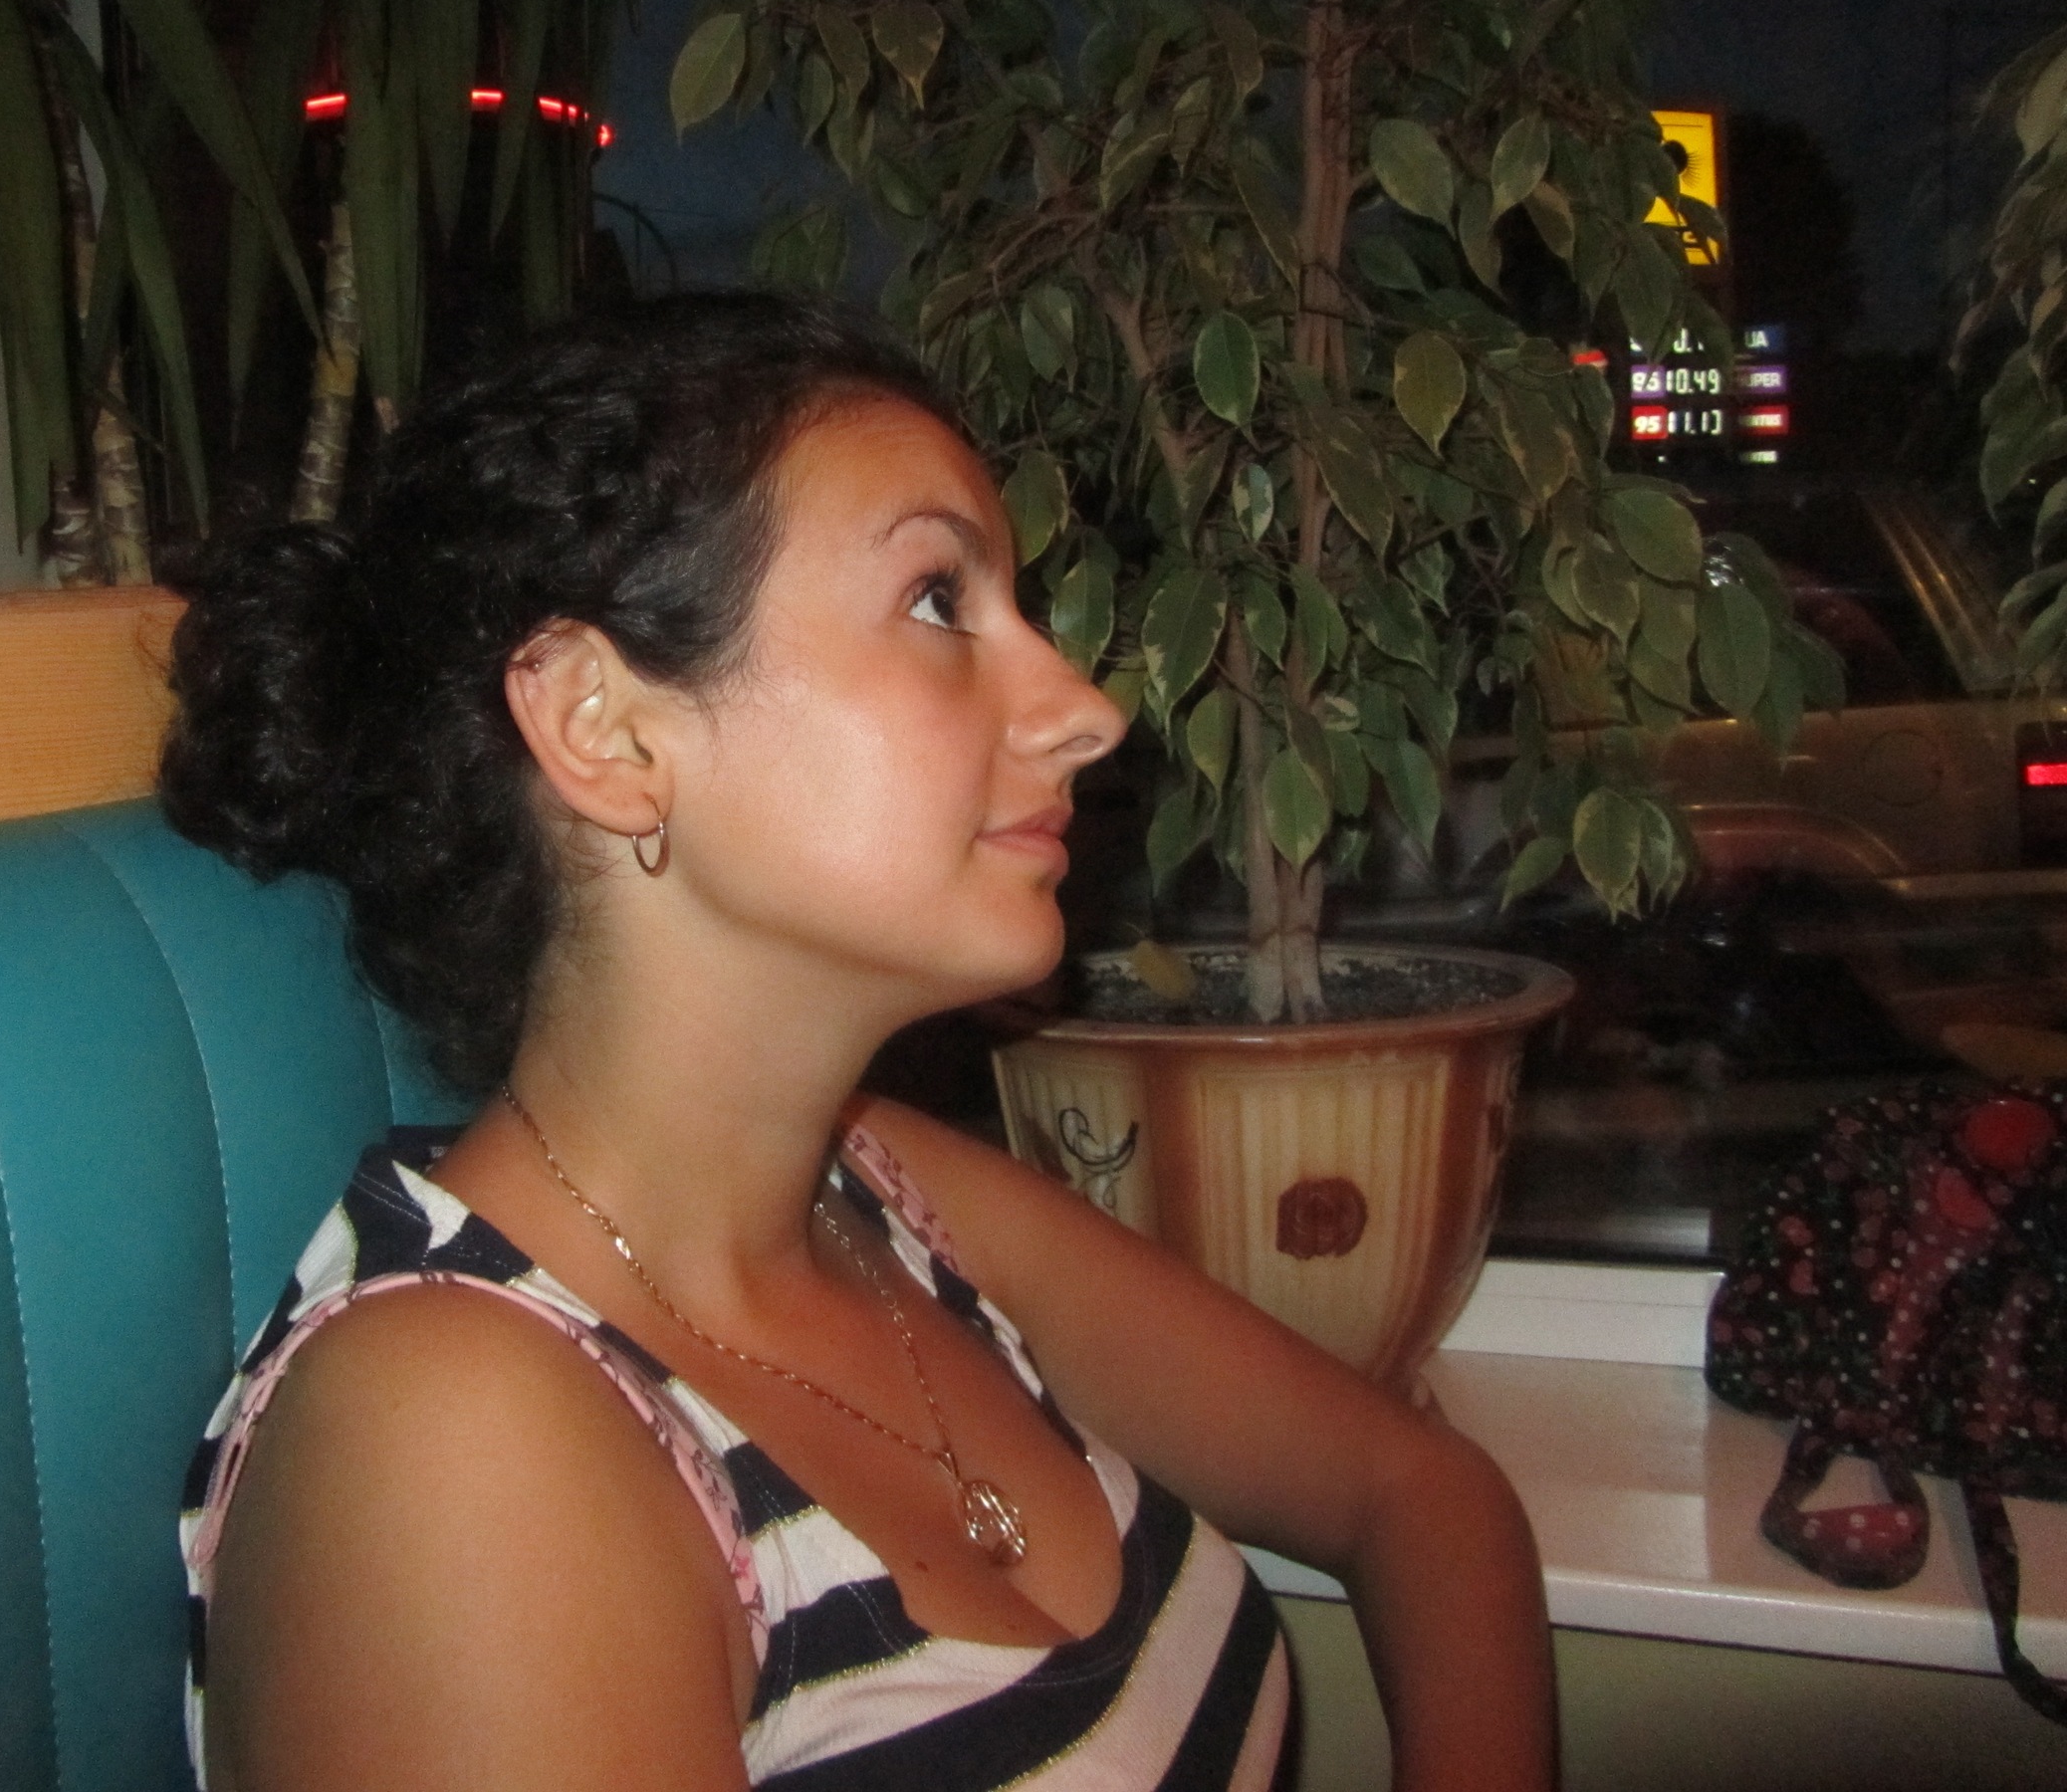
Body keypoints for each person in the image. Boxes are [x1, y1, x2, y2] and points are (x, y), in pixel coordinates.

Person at [159, 292, 1555, 1792]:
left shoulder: (880, 1193)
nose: (1086, 712)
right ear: (606, 727)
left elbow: (1420, 1493)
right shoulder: (450, 1440)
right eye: (940, 602)